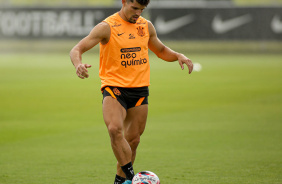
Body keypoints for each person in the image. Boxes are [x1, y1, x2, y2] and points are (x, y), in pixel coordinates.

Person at [70, 0, 193, 183]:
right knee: (114, 129)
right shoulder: (107, 27)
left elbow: (160, 50)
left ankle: (121, 181)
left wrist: (177, 56)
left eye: (142, 10)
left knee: (133, 141)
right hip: (114, 87)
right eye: (134, 8)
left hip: (140, 90)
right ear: (124, 2)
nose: (138, 13)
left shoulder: (146, 26)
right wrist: (78, 64)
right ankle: (133, 177)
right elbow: (77, 49)